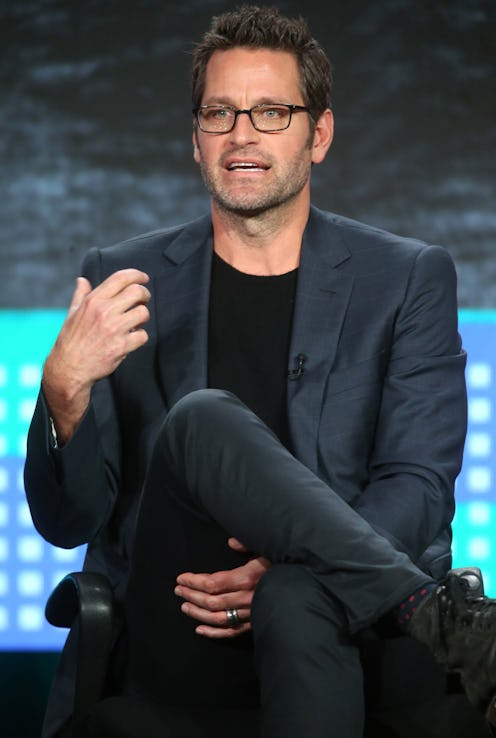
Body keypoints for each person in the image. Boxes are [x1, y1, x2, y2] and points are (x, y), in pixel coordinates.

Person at [24, 5, 496, 738]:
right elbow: (69, 523)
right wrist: (63, 391)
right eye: (220, 113)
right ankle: (430, 612)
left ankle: (370, 599)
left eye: (271, 112)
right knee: (201, 418)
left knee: (294, 597)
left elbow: (418, 482)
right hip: (180, 620)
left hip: (337, 624)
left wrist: (297, 572)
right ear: (196, 139)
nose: (241, 134)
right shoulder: (123, 277)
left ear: (320, 135)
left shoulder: (406, 278)